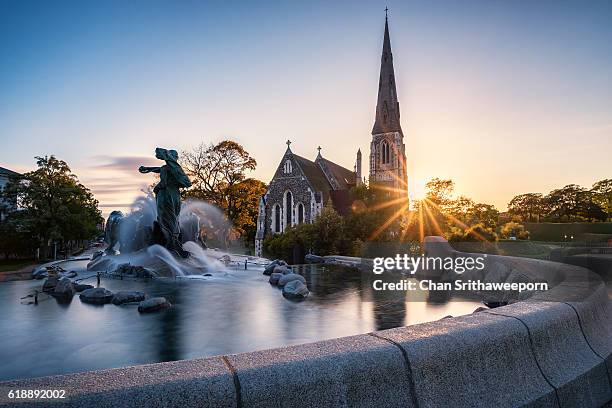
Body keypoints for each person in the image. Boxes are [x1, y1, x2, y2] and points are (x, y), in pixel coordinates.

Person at [139, 148, 192, 257]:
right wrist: (147, 169)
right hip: (165, 195)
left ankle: (173, 243)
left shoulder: (175, 168)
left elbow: (186, 182)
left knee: (169, 218)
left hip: (169, 196)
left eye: (170, 155)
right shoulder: (167, 168)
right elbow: (159, 169)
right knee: (166, 219)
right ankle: (169, 241)